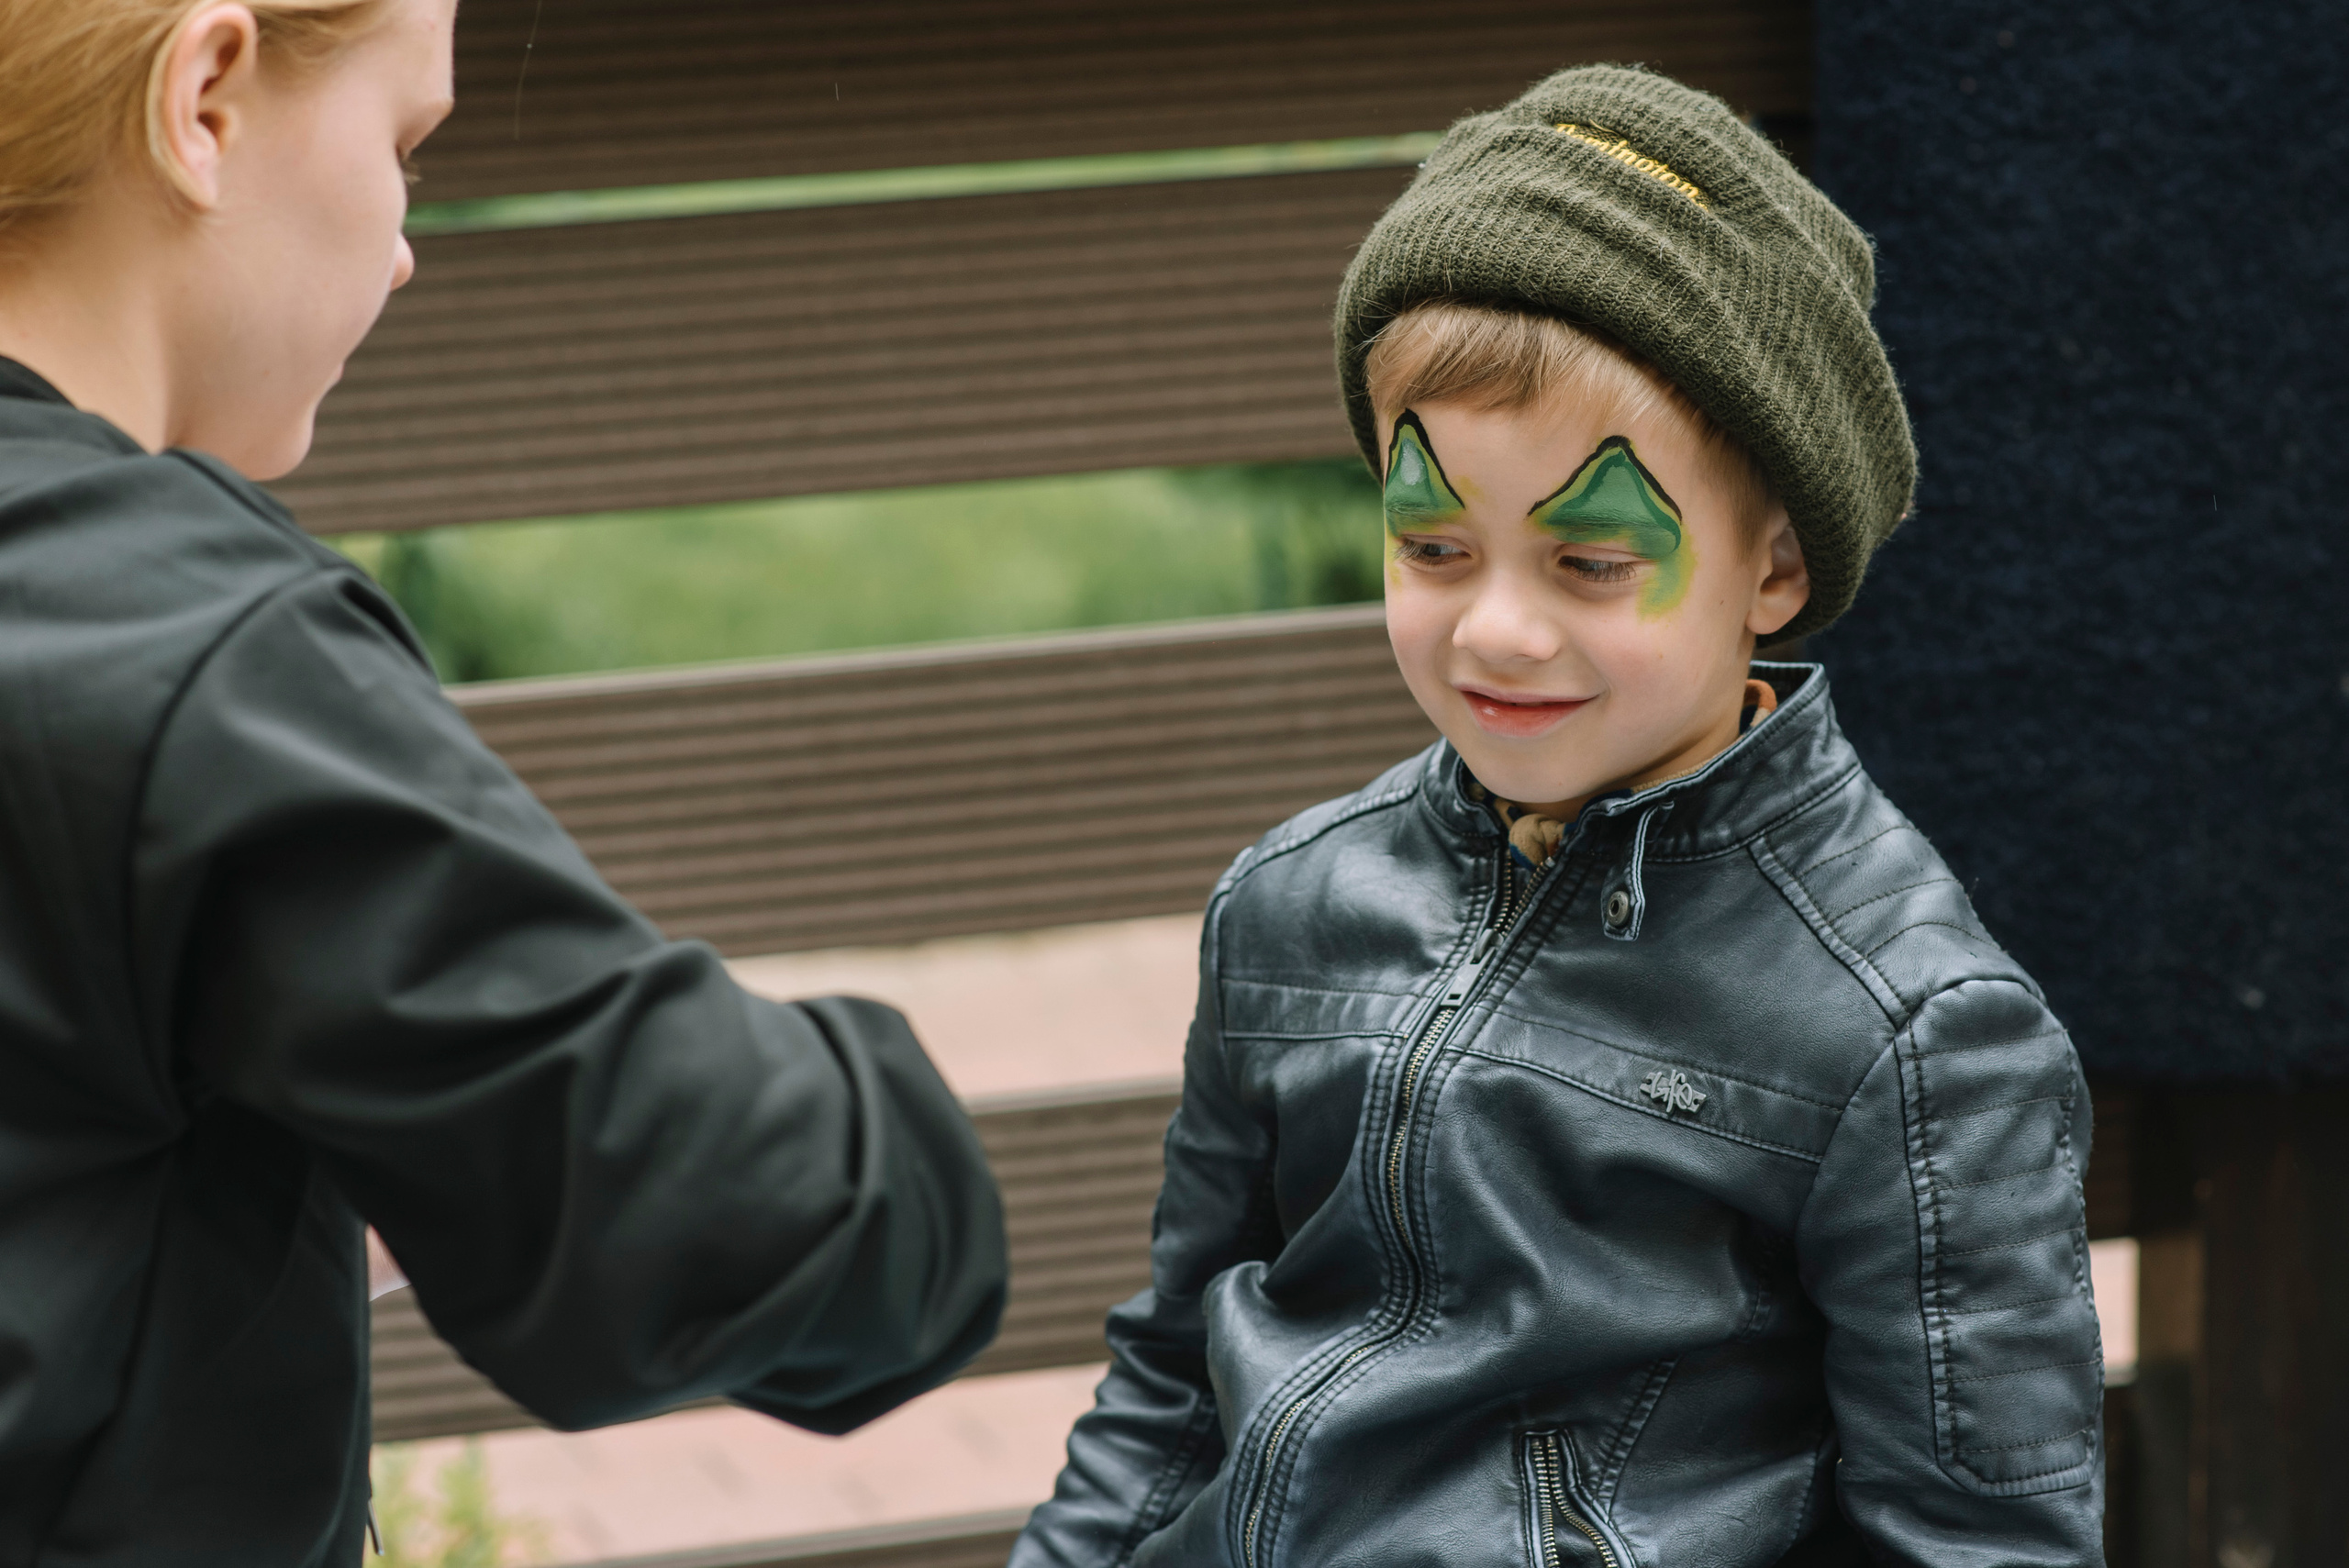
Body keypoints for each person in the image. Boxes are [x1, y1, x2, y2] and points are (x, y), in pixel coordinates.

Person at [1012, 65, 2104, 1568]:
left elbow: (1983, 1543)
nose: (1497, 632)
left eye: (1593, 561)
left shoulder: (1911, 1029)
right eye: (1434, 544)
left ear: (1776, 566)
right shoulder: (1288, 905)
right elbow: (1168, 1384)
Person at [0, 1, 1006, 1560]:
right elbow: (788, 1229)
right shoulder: (182, 640)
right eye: (406, 143)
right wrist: (903, 1154)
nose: (405, 247)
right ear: (204, 98)